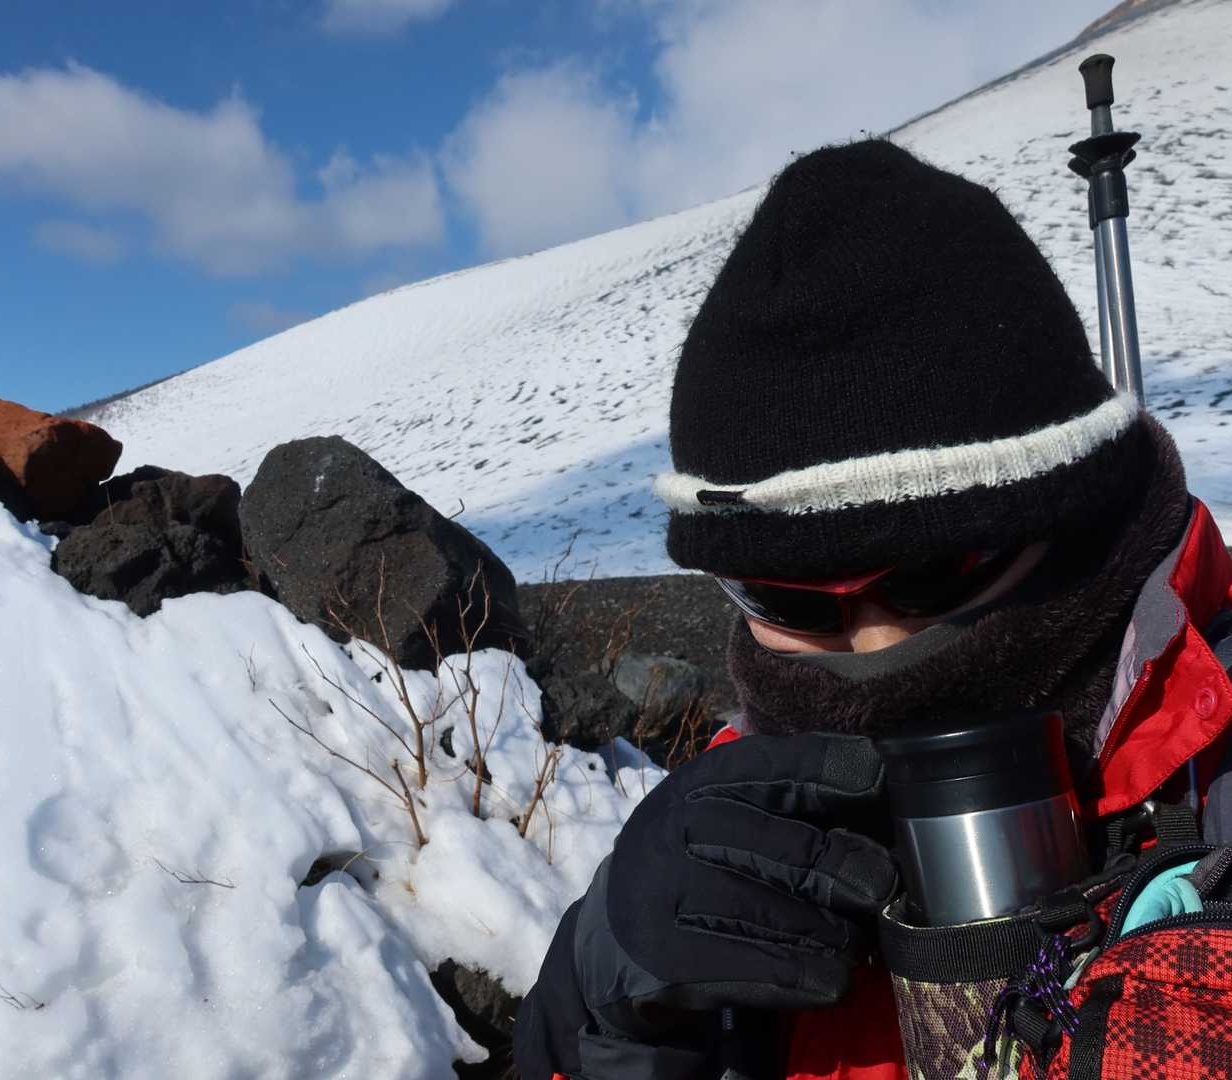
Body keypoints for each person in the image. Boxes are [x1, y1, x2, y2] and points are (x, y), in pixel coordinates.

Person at [512, 139, 1232, 1080]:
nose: (874, 645)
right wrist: (603, 1005)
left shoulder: (1214, 764)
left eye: (932, 574)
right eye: (786, 595)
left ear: (1077, 520)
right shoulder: (730, 835)